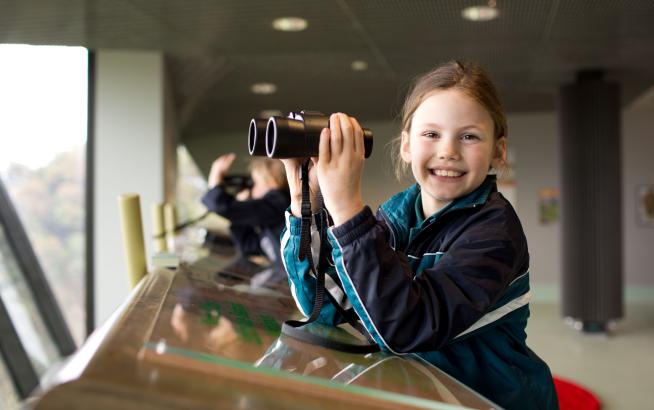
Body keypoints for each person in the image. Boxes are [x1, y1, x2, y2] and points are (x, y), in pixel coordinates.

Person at [279, 61, 558, 409]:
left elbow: (406, 329)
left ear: (498, 151)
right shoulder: (399, 213)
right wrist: (305, 203)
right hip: (422, 391)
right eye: (431, 134)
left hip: (485, 398)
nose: (448, 151)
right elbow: (330, 308)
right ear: (406, 145)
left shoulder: (494, 231)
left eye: (469, 136)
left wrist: (348, 208)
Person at [202, 154, 290, 288]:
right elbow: (249, 246)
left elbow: (221, 206)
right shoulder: (270, 220)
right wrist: (241, 207)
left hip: (288, 283)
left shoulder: (279, 202)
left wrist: (215, 179)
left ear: (272, 181)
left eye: (255, 183)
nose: (251, 188)